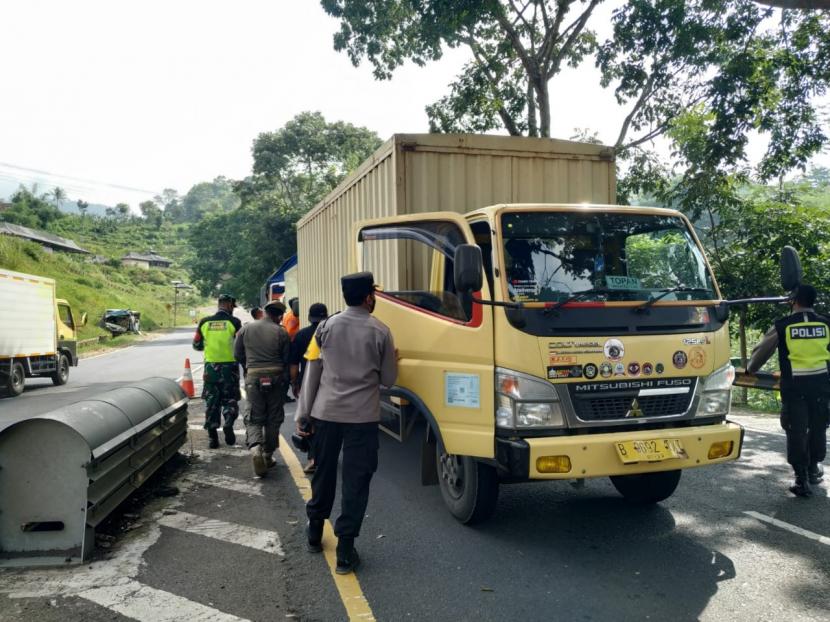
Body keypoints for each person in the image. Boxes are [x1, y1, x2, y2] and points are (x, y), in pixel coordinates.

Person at [296, 272, 397, 574]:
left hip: (326, 414)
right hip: (362, 418)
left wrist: (303, 415)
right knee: (356, 481)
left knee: (323, 473)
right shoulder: (381, 331)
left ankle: (315, 532)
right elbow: (390, 380)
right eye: (374, 295)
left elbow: (312, 373)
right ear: (369, 297)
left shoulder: (326, 327)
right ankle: (345, 550)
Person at [748, 284, 830, 497]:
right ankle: (813, 467)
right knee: (818, 427)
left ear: (794, 300)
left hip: (795, 388)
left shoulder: (783, 325)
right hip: (821, 387)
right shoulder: (826, 324)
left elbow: (762, 351)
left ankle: (801, 479)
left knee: (796, 431)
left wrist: (750, 369)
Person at [234, 300, 291, 476]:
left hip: (254, 376)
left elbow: (237, 355)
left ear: (265, 312)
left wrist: (249, 368)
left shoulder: (246, 329)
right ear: (280, 316)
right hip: (276, 376)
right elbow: (286, 358)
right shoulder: (281, 331)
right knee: (274, 416)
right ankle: (267, 454)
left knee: (254, 416)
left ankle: (256, 448)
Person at [193, 294, 242, 449]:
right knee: (230, 399)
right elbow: (241, 345)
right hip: (230, 368)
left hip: (210, 369)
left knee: (212, 402)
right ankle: (228, 422)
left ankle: (213, 438)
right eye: (232, 307)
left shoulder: (204, 322)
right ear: (228, 305)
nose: (232, 310)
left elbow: (197, 345)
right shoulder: (234, 322)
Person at [290, 302, 329, 474]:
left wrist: (294, 383)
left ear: (309, 317)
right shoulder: (330, 333)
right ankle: (324, 454)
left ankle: (313, 458)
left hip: (308, 383)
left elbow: (293, 364)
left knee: (308, 419)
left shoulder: (300, 335)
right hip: (328, 383)